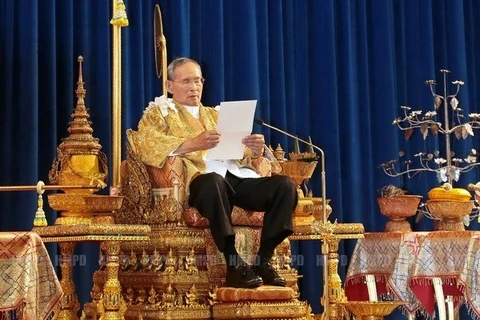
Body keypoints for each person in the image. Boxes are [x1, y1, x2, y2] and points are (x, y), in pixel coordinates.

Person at [127, 57, 297, 288]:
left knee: (285, 186)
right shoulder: (160, 114)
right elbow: (146, 144)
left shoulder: (214, 115)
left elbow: (238, 149)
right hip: (199, 181)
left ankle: (263, 260)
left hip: (234, 178)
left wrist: (253, 149)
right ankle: (234, 263)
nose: (194, 87)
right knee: (213, 182)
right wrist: (192, 143)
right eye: (186, 81)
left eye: (198, 81)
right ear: (169, 86)